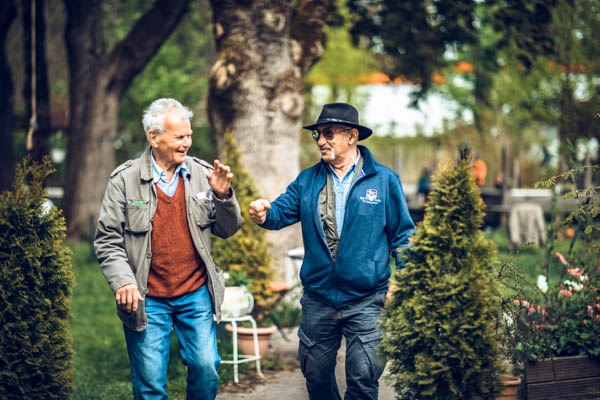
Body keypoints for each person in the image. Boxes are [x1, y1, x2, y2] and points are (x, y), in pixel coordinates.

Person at [249, 102, 415, 399]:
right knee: (315, 377)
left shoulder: (384, 180)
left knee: (363, 377)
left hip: (367, 298)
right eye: (318, 134)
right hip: (319, 298)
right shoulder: (307, 180)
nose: (321, 141)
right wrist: (264, 213)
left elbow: (403, 235)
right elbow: (279, 213)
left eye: (329, 133)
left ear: (352, 136)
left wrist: (403, 280)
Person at [94, 98, 242, 399]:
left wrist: (223, 196)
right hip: (147, 296)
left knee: (206, 367)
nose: (187, 142)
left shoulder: (202, 174)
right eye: (179, 137)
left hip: (195, 292)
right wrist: (123, 281)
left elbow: (227, 230)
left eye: (189, 135)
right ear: (154, 137)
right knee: (150, 384)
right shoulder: (124, 180)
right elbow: (108, 239)